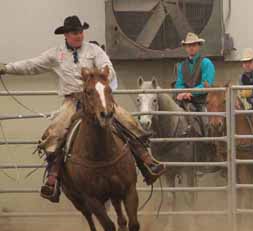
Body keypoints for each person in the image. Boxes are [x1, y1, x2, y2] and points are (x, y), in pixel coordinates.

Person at [0, 16, 166, 202]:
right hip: (73, 101)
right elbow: (32, 65)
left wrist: (100, 77)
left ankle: (146, 160)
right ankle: (53, 178)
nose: (78, 36)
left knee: (126, 119)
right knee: (55, 131)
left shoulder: (94, 50)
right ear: (66, 35)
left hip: (97, 98)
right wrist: (6, 68)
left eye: (80, 32)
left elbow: (109, 68)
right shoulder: (56, 54)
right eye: (74, 33)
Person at [174, 32, 215, 113]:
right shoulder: (181, 66)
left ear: (198, 46)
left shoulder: (206, 63)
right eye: (189, 45)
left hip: (202, 101)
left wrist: (190, 92)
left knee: (207, 122)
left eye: (194, 45)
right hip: (185, 101)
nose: (191, 47)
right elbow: (179, 84)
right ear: (185, 48)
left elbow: (206, 84)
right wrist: (183, 93)